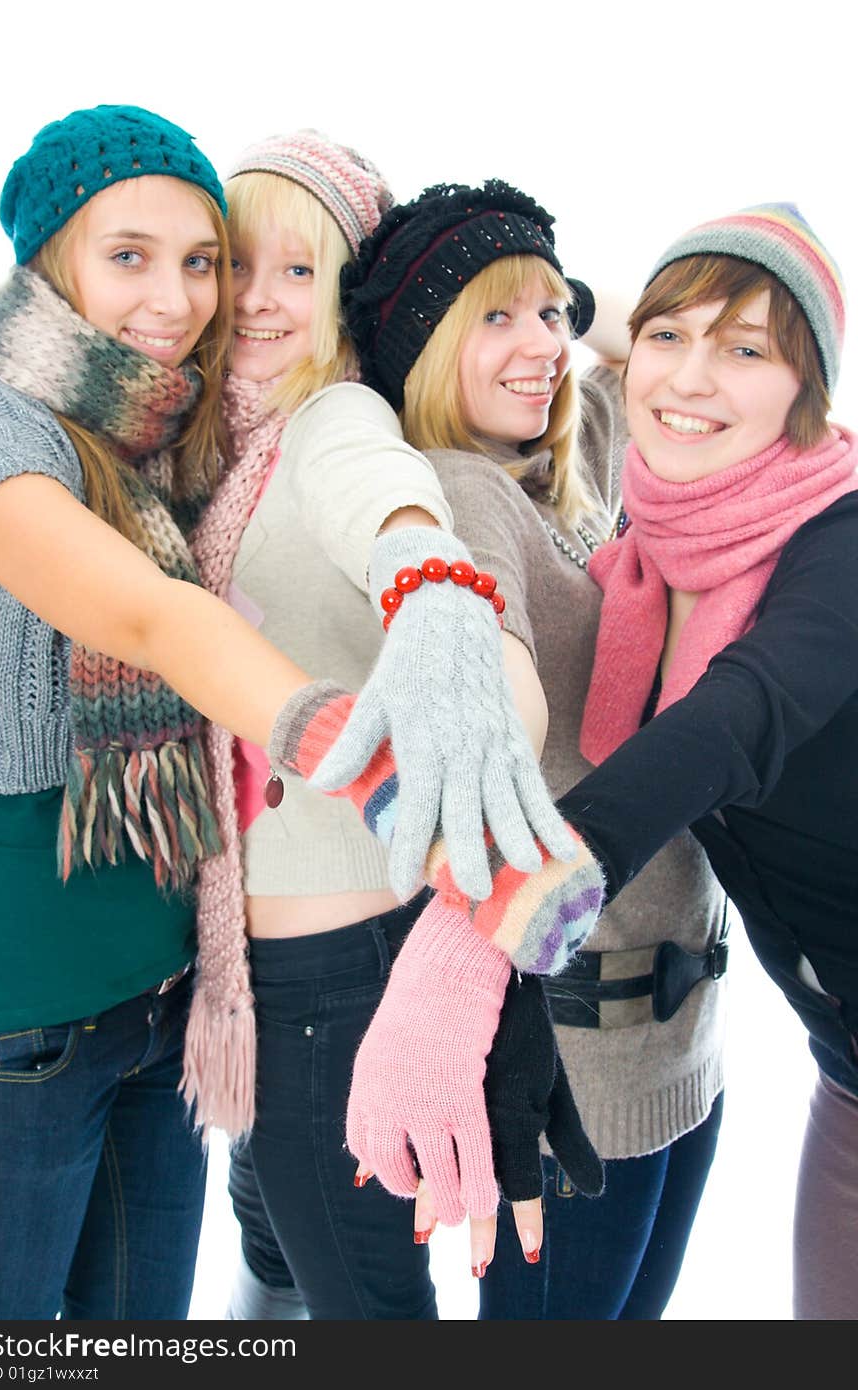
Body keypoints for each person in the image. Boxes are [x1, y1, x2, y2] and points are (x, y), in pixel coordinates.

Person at [0, 109, 566, 1321]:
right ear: (51, 263)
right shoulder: (28, 432)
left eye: (206, 259)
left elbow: (377, 479)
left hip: (168, 1000)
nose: (196, 297)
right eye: (133, 256)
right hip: (24, 1015)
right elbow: (146, 619)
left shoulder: (228, 426)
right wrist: (362, 761)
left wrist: (433, 576)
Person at [355, 201, 858, 1321]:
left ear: (810, 390)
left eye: (746, 351)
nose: (685, 377)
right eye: (668, 337)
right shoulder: (667, 530)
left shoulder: (836, 540)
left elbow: (731, 723)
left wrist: (468, 940)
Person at [332, 179, 728, 1318]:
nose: (543, 344)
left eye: (549, 313)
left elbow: (653, 344)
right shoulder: (462, 493)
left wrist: (552, 298)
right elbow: (490, 659)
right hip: (581, 1059)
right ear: (424, 347)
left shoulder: (574, 453)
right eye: (494, 318)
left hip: (684, 1024)